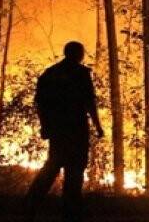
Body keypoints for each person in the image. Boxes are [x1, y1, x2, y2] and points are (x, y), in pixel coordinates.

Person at [27, 41, 104, 221]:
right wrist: (98, 126)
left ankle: (31, 204)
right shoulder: (81, 74)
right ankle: (70, 208)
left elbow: (41, 103)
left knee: (53, 165)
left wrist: (45, 125)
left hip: (57, 128)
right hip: (76, 127)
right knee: (75, 168)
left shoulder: (50, 73)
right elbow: (89, 102)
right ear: (78, 54)